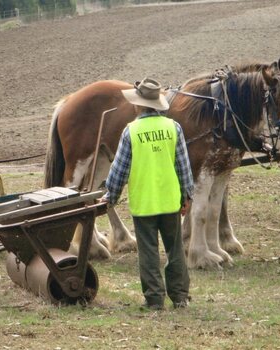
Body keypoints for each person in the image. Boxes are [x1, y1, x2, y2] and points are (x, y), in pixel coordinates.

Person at [101, 78, 194, 310]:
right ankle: (180, 296)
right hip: (170, 201)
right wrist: (187, 196)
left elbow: (119, 170)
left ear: (138, 105)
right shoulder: (174, 128)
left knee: (149, 251)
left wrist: (109, 197)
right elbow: (183, 166)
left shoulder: (131, 131)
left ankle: (154, 299)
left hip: (144, 203)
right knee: (175, 250)